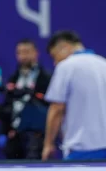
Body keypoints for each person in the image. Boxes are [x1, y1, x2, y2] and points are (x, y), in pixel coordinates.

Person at [43, 30, 106, 161]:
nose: (55, 63)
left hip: (81, 150)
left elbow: (56, 109)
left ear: (64, 47)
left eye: (54, 56)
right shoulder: (103, 64)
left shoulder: (66, 67)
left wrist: (48, 144)